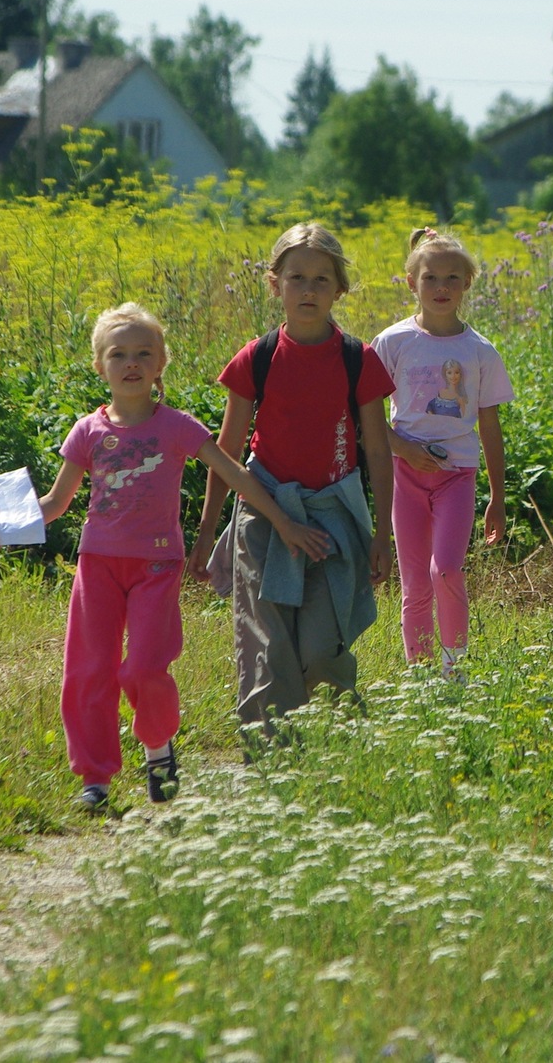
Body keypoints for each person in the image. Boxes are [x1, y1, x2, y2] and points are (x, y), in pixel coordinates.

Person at [0, 302, 330, 813]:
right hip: (98, 565)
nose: (131, 363)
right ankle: (94, 778)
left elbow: (235, 473)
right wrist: (1, 533)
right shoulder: (87, 431)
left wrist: (283, 522)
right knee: (88, 670)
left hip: (157, 567)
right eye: (119, 354)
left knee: (143, 669)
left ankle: (158, 748)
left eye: (144, 353)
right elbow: (54, 504)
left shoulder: (178, 427)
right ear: (100, 366)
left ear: (161, 363)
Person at [191, 224, 396, 732]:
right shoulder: (256, 358)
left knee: (323, 647)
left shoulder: (358, 359)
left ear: (339, 289)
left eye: (322, 279)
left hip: (333, 519)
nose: (309, 290)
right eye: (297, 277)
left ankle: (332, 736)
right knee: (268, 645)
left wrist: (382, 534)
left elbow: (377, 450)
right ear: (275, 283)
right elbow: (227, 454)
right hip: (263, 514)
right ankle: (269, 748)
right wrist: (206, 533)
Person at [370, 228, 512, 677]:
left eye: (452, 278)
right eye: (430, 277)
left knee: (446, 570)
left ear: (467, 283)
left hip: (458, 475)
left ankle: (455, 670)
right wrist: (403, 448)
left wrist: (498, 497)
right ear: (411, 282)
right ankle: (420, 675)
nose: (441, 287)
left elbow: (489, 425)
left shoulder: (480, 351)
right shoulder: (392, 343)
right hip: (405, 475)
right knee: (415, 584)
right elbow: (364, 414)